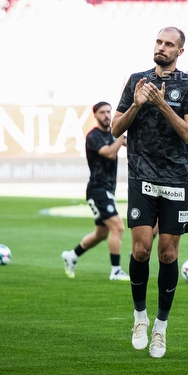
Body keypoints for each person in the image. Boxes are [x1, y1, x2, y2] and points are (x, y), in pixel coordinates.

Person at [111, 27, 188, 359]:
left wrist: (162, 103)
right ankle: (139, 318)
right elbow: (116, 128)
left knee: (167, 253)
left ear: (180, 52)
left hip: (176, 178)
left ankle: (160, 328)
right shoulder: (137, 79)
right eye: (159, 42)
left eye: (169, 44)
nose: (161, 48)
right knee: (140, 249)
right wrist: (136, 105)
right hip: (142, 174)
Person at [61, 101, 130, 281]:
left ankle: (72, 255)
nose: (107, 115)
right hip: (97, 189)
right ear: (96, 115)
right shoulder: (93, 136)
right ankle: (116, 271)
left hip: (108, 190)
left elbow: (132, 146)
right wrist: (121, 137)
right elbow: (108, 153)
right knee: (118, 226)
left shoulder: (114, 135)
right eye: (102, 112)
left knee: (101, 234)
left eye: (109, 112)